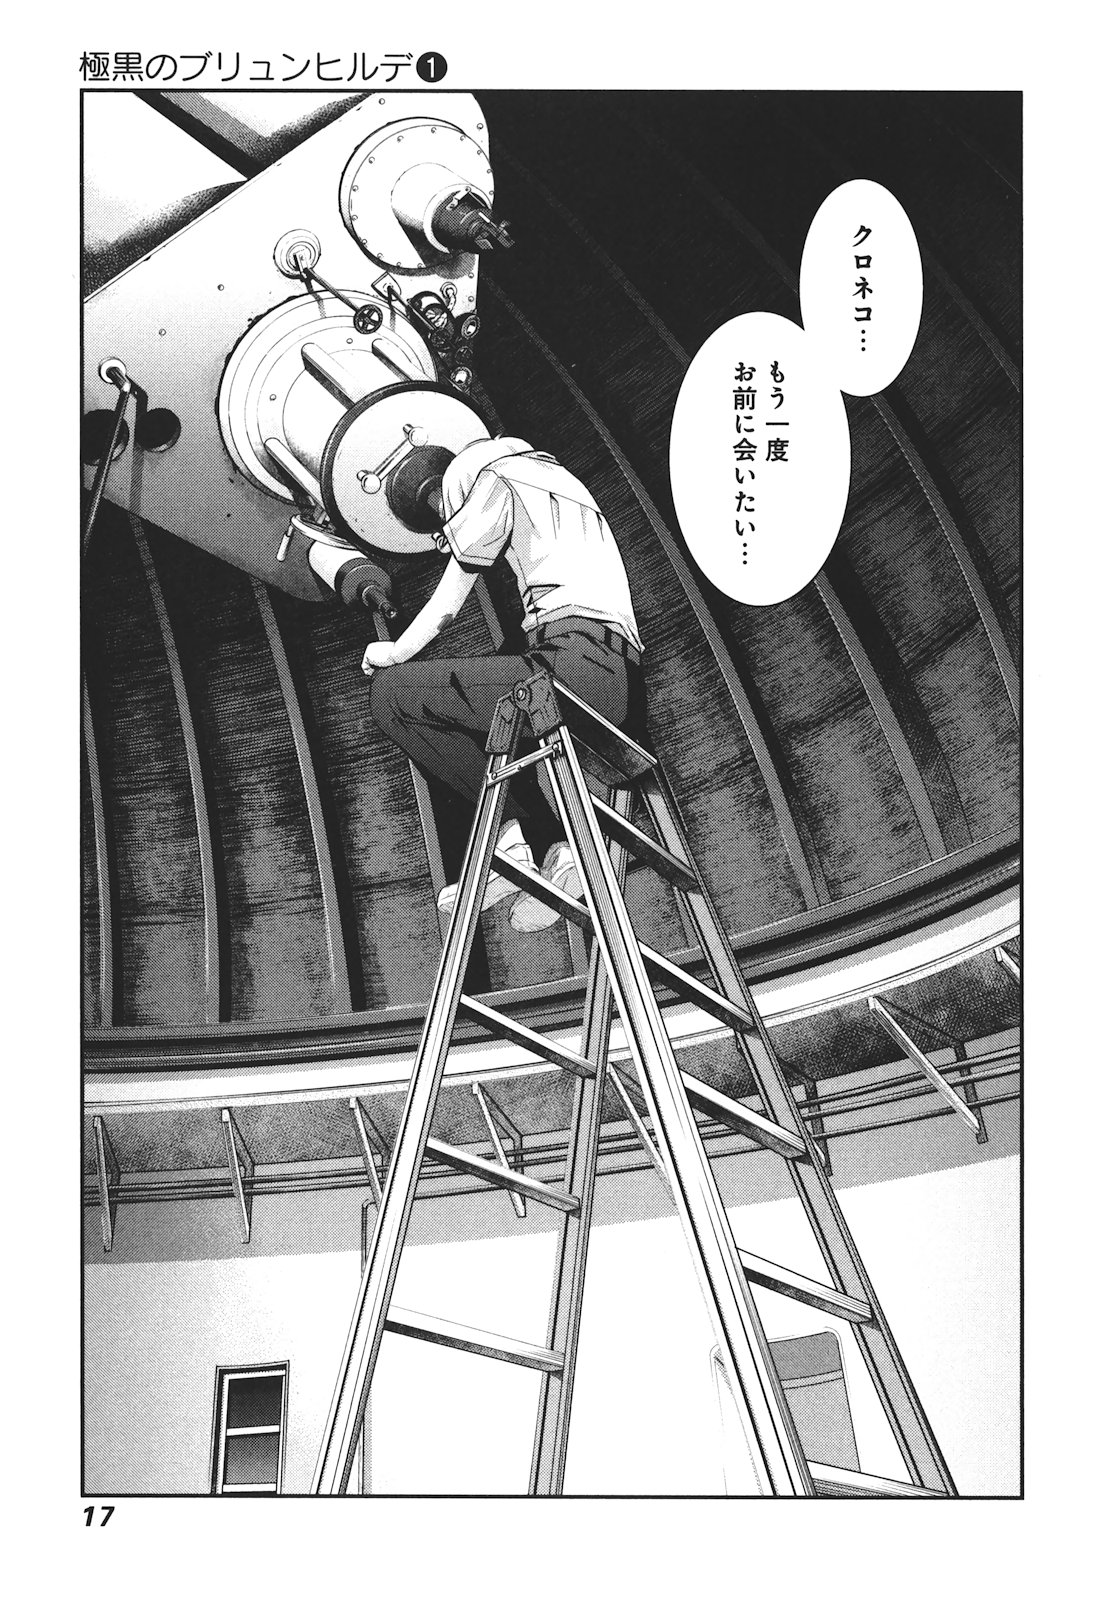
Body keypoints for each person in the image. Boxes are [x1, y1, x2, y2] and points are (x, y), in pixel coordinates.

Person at [360, 435, 646, 932]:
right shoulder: (559, 481)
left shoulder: (496, 477)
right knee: (489, 694)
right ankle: (559, 852)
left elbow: (450, 598)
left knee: (395, 696)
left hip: (574, 664)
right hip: (619, 680)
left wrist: (393, 651)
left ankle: (510, 840)